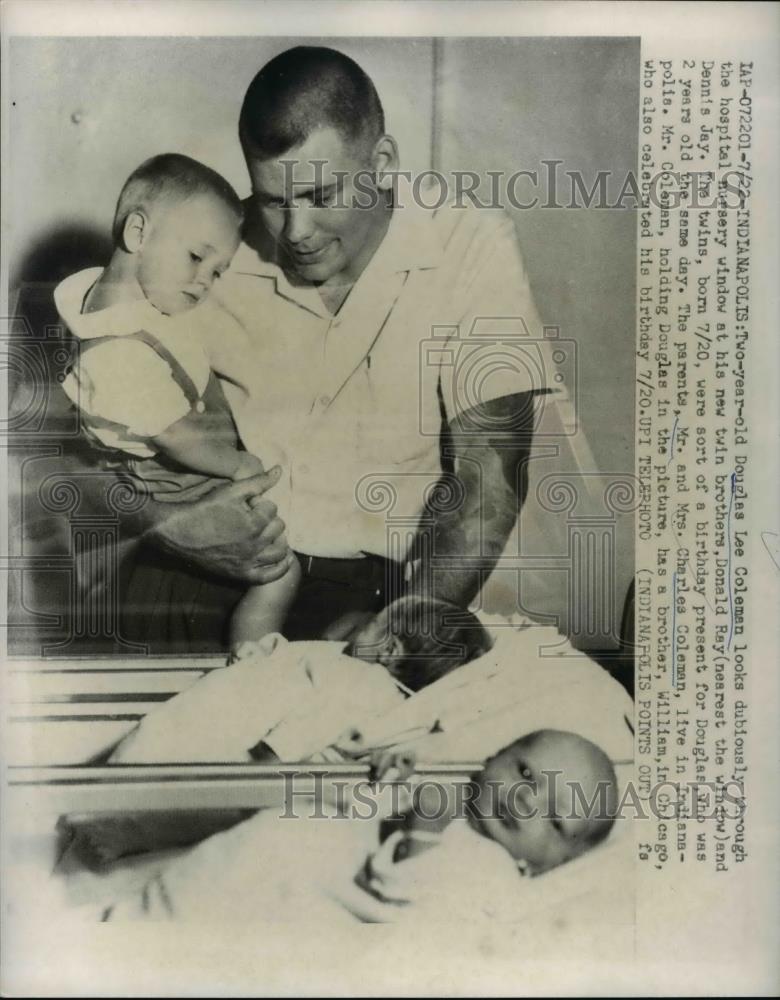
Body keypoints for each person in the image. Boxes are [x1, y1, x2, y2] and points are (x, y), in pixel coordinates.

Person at [94, 44, 560, 652]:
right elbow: (72, 451)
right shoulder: (206, 250)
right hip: (190, 576)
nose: (295, 233)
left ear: (382, 160)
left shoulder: (470, 244)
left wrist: (405, 622)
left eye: (320, 196)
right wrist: (166, 525)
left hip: (375, 598)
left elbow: (491, 475)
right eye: (272, 200)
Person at [53, 154, 301, 651]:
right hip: (171, 478)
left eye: (217, 270)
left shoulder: (125, 309)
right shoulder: (119, 350)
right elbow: (176, 435)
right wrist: (237, 464)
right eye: (196, 257)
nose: (204, 281)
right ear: (137, 233)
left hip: (167, 467)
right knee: (280, 569)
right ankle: (252, 661)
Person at [98, 729, 618, 921]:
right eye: (525, 772)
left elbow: (403, 891)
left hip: (308, 907)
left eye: (554, 817)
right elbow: (360, 813)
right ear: (492, 756)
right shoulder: (457, 801)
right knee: (207, 874)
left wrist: (424, 831)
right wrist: (387, 779)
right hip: (270, 859)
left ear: (549, 865)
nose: (524, 799)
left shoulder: (494, 877)